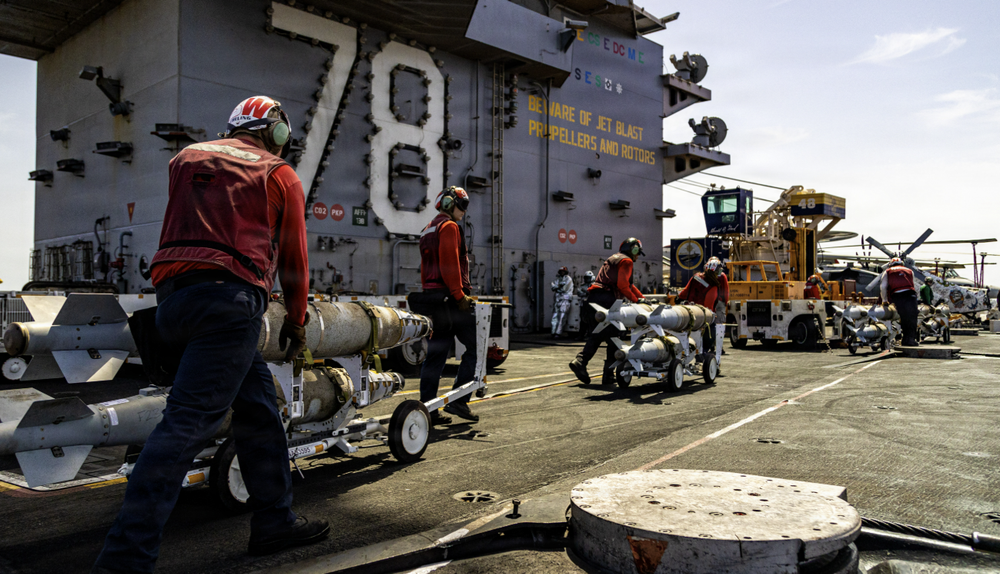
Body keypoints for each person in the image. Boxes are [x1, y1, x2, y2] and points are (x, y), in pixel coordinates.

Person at [93, 96, 326, 573]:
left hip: (172, 303)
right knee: (184, 426)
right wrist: (297, 321)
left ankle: (274, 520)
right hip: (228, 305)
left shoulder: (186, 158)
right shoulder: (280, 173)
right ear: (277, 131)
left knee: (259, 409)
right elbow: (295, 261)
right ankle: (124, 560)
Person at [416, 186, 479, 424]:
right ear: (448, 204)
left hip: (434, 300)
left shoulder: (427, 229)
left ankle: (428, 410)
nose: (464, 210)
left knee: (435, 355)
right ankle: (459, 400)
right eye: (462, 205)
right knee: (476, 347)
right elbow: (450, 264)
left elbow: (427, 268)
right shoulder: (449, 226)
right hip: (452, 301)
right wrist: (459, 296)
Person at [569, 238, 647, 385]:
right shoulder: (627, 261)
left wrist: (642, 298)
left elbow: (629, 286)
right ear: (633, 249)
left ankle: (581, 362)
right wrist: (637, 301)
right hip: (607, 300)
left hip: (593, 299)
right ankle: (607, 373)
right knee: (614, 337)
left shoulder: (613, 258)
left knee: (597, 334)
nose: (637, 256)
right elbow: (623, 286)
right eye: (637, 252)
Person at [677, 256, 729, 354]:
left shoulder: (696, 277)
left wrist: (678, 297)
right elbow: (711, 303)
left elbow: (685, 292)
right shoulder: (713, 285)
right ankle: (705, 350)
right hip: (703, 314)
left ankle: (696, 350)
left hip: (692, 311)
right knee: (713, 329)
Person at [880, 256, 919, 347]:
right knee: (912, 318)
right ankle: (910, 339)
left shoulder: (888, 271)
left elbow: (883, 287)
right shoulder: (909, 271)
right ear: (902, 263)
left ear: (890, 264)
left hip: (897, 295)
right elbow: (913, 285)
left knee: (903, 317)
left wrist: (884, 300)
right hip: (910, 295)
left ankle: (904, 339)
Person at [550, 267, 574, 339]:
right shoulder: (557, 279)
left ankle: (558, 333)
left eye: (563, 271)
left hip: (565, 299)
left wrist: (557, 287)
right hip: (557, 299)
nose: (562, 273)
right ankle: (553, 332)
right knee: (554, 316)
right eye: (561, 271)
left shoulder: (568, 279)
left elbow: (564, 289)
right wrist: (559, 286)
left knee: (562, 317)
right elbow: (552, 287)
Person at [575, 270, 596, 340]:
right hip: (583, 304)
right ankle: (581, 335)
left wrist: (586, 292)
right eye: (586, 278)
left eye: (588, 278)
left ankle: (590, 335)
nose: (587, 279)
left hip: (592, 305)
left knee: (591, 321)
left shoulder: (594, 285)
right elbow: (579, 293)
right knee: (583, 320)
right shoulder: (582, 286)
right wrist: (586, 293)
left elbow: (592, 293)